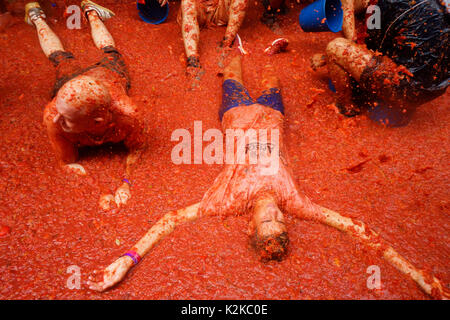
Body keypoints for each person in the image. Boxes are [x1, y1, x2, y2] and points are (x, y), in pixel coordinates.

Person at [87, 56, 448, 299]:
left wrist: (127, 259)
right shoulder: (295, 202)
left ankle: (236, 50)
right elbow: (355, 226)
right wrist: (417, 275)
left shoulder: (225, 201)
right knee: (273, 75)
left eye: (267, 223)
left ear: (251, 227)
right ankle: (270, 49)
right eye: (280, 223)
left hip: (236, 112)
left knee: (232, 71)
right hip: (273, 114)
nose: (275, 214)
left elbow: (170, 221)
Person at [26, 1, 146, 209]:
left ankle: (91, 12)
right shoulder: (53, 113)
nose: (56, 119)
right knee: (59, 58)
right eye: (58, 112)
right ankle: (37, 18)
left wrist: (125, 184)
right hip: (70, 84)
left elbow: (138, 148)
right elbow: (67, 161)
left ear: (98, 120)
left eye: (66, 119)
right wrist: (102, 190)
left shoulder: (127, 114)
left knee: (111, 53)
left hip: (108, 75)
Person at [312, 0, 449, 126]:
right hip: (434, 89)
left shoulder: (378, 5)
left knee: (335, 48)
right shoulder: (437, 4)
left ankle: (347, 108)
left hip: (405, 89)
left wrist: (326, 58)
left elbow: (370, 47)